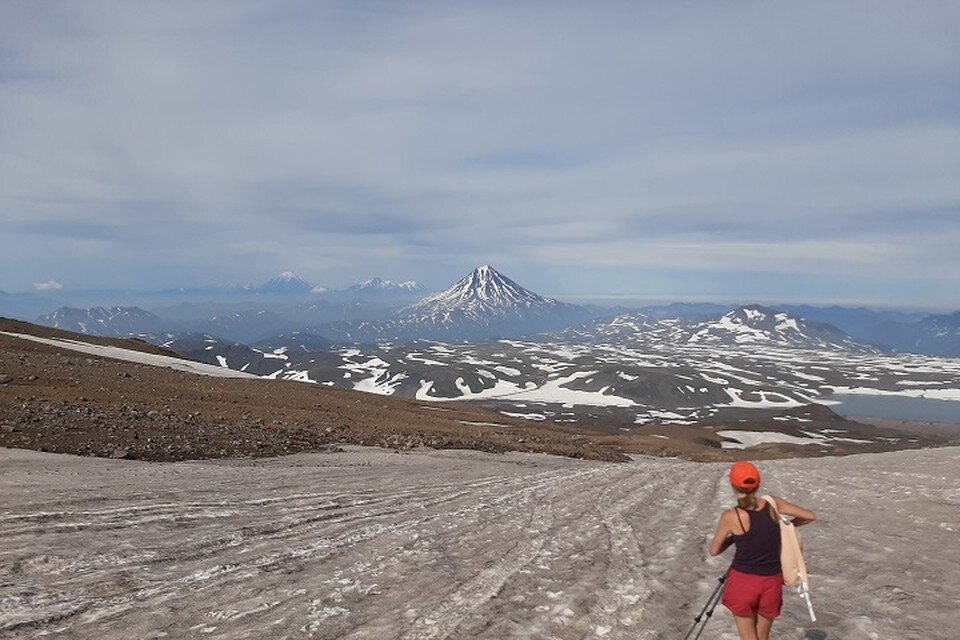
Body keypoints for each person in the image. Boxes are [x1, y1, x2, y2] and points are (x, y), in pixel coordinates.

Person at [708, 461, 816, 640]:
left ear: (733, 485)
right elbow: (810, 516)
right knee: (762, 636)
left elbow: (714, 550)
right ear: (757, 484)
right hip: (771, 582)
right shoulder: (773, 504)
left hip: (743, 582)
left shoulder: (732, 516)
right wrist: (784, 526)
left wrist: (735, 537)